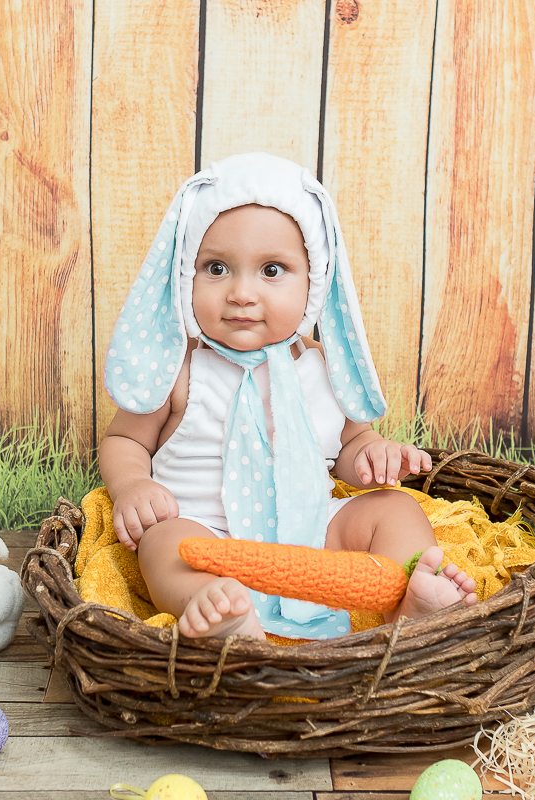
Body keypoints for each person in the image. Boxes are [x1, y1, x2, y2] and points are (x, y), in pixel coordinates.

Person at [99, 153, 476, 640]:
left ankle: (410, 598)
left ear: (314, 283)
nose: (241, 292)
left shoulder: (322, 368)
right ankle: (216, 608)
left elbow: (348, 449)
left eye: (272, 271)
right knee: (164, 543)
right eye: (216, 268)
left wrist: (374, 456)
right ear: (183, 275)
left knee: (395, 509)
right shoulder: (178, 368)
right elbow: (124, 442)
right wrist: (132, 486)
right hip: (207, 531)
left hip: (312, 530)